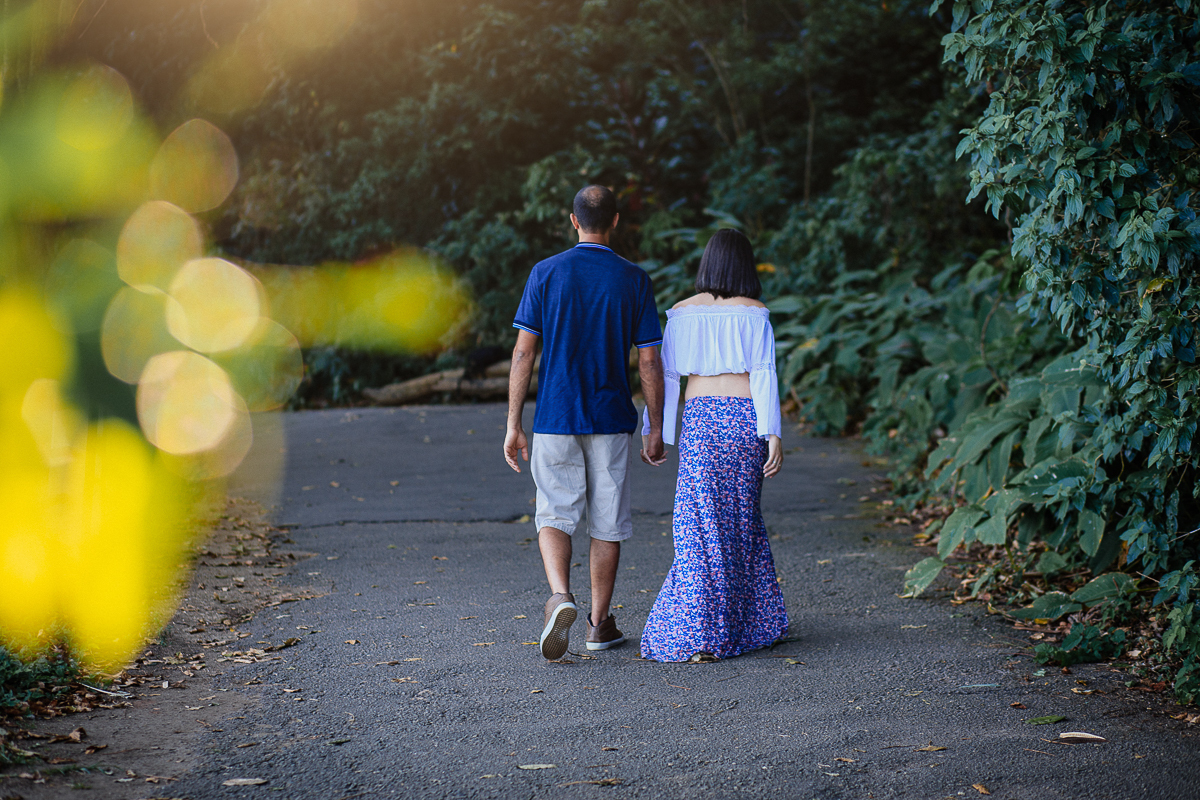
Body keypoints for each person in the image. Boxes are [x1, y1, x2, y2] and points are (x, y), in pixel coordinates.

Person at [504, 184, 666, 661]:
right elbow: (649, 362)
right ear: (615, 221)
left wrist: (513, 422)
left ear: (572, 220)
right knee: (607, 522)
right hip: (610, 418)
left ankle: (560, 594)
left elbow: (523, 352)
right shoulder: (634, 279)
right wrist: (656, 426)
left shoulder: (545, 273)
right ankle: (598, 624)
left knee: (554, 511)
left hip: (554, 417)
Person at [639, 228, 787, 662]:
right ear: (746, 265)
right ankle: (749, 623)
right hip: (744, 421)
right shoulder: (755, 312)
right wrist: (772, 433)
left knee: (699, 525)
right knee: (741, 522)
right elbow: (764, 374)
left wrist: (658, 433)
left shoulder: (682, 314)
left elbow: (666, 376)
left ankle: (697, 627)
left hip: (701, 422)